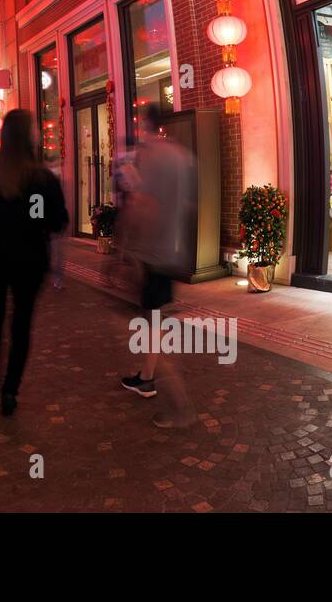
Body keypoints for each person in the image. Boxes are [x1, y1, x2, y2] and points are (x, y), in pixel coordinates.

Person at [0, 111, 68, 415]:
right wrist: (32, 217)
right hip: (30, 261)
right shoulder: (42, 179)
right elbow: (56, 221)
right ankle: (10, 387)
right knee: (22, 323)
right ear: (30, 136)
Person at [118, 103, 197, 429]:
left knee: (151, 326)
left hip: (150, 252)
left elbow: (140, 203)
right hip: (171, 250)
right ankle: (145, 377)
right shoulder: (184, 157)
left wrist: (126, 247)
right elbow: (189, 206)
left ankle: (181, 408)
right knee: (153, 322)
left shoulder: (147, 155)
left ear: (145, 123)